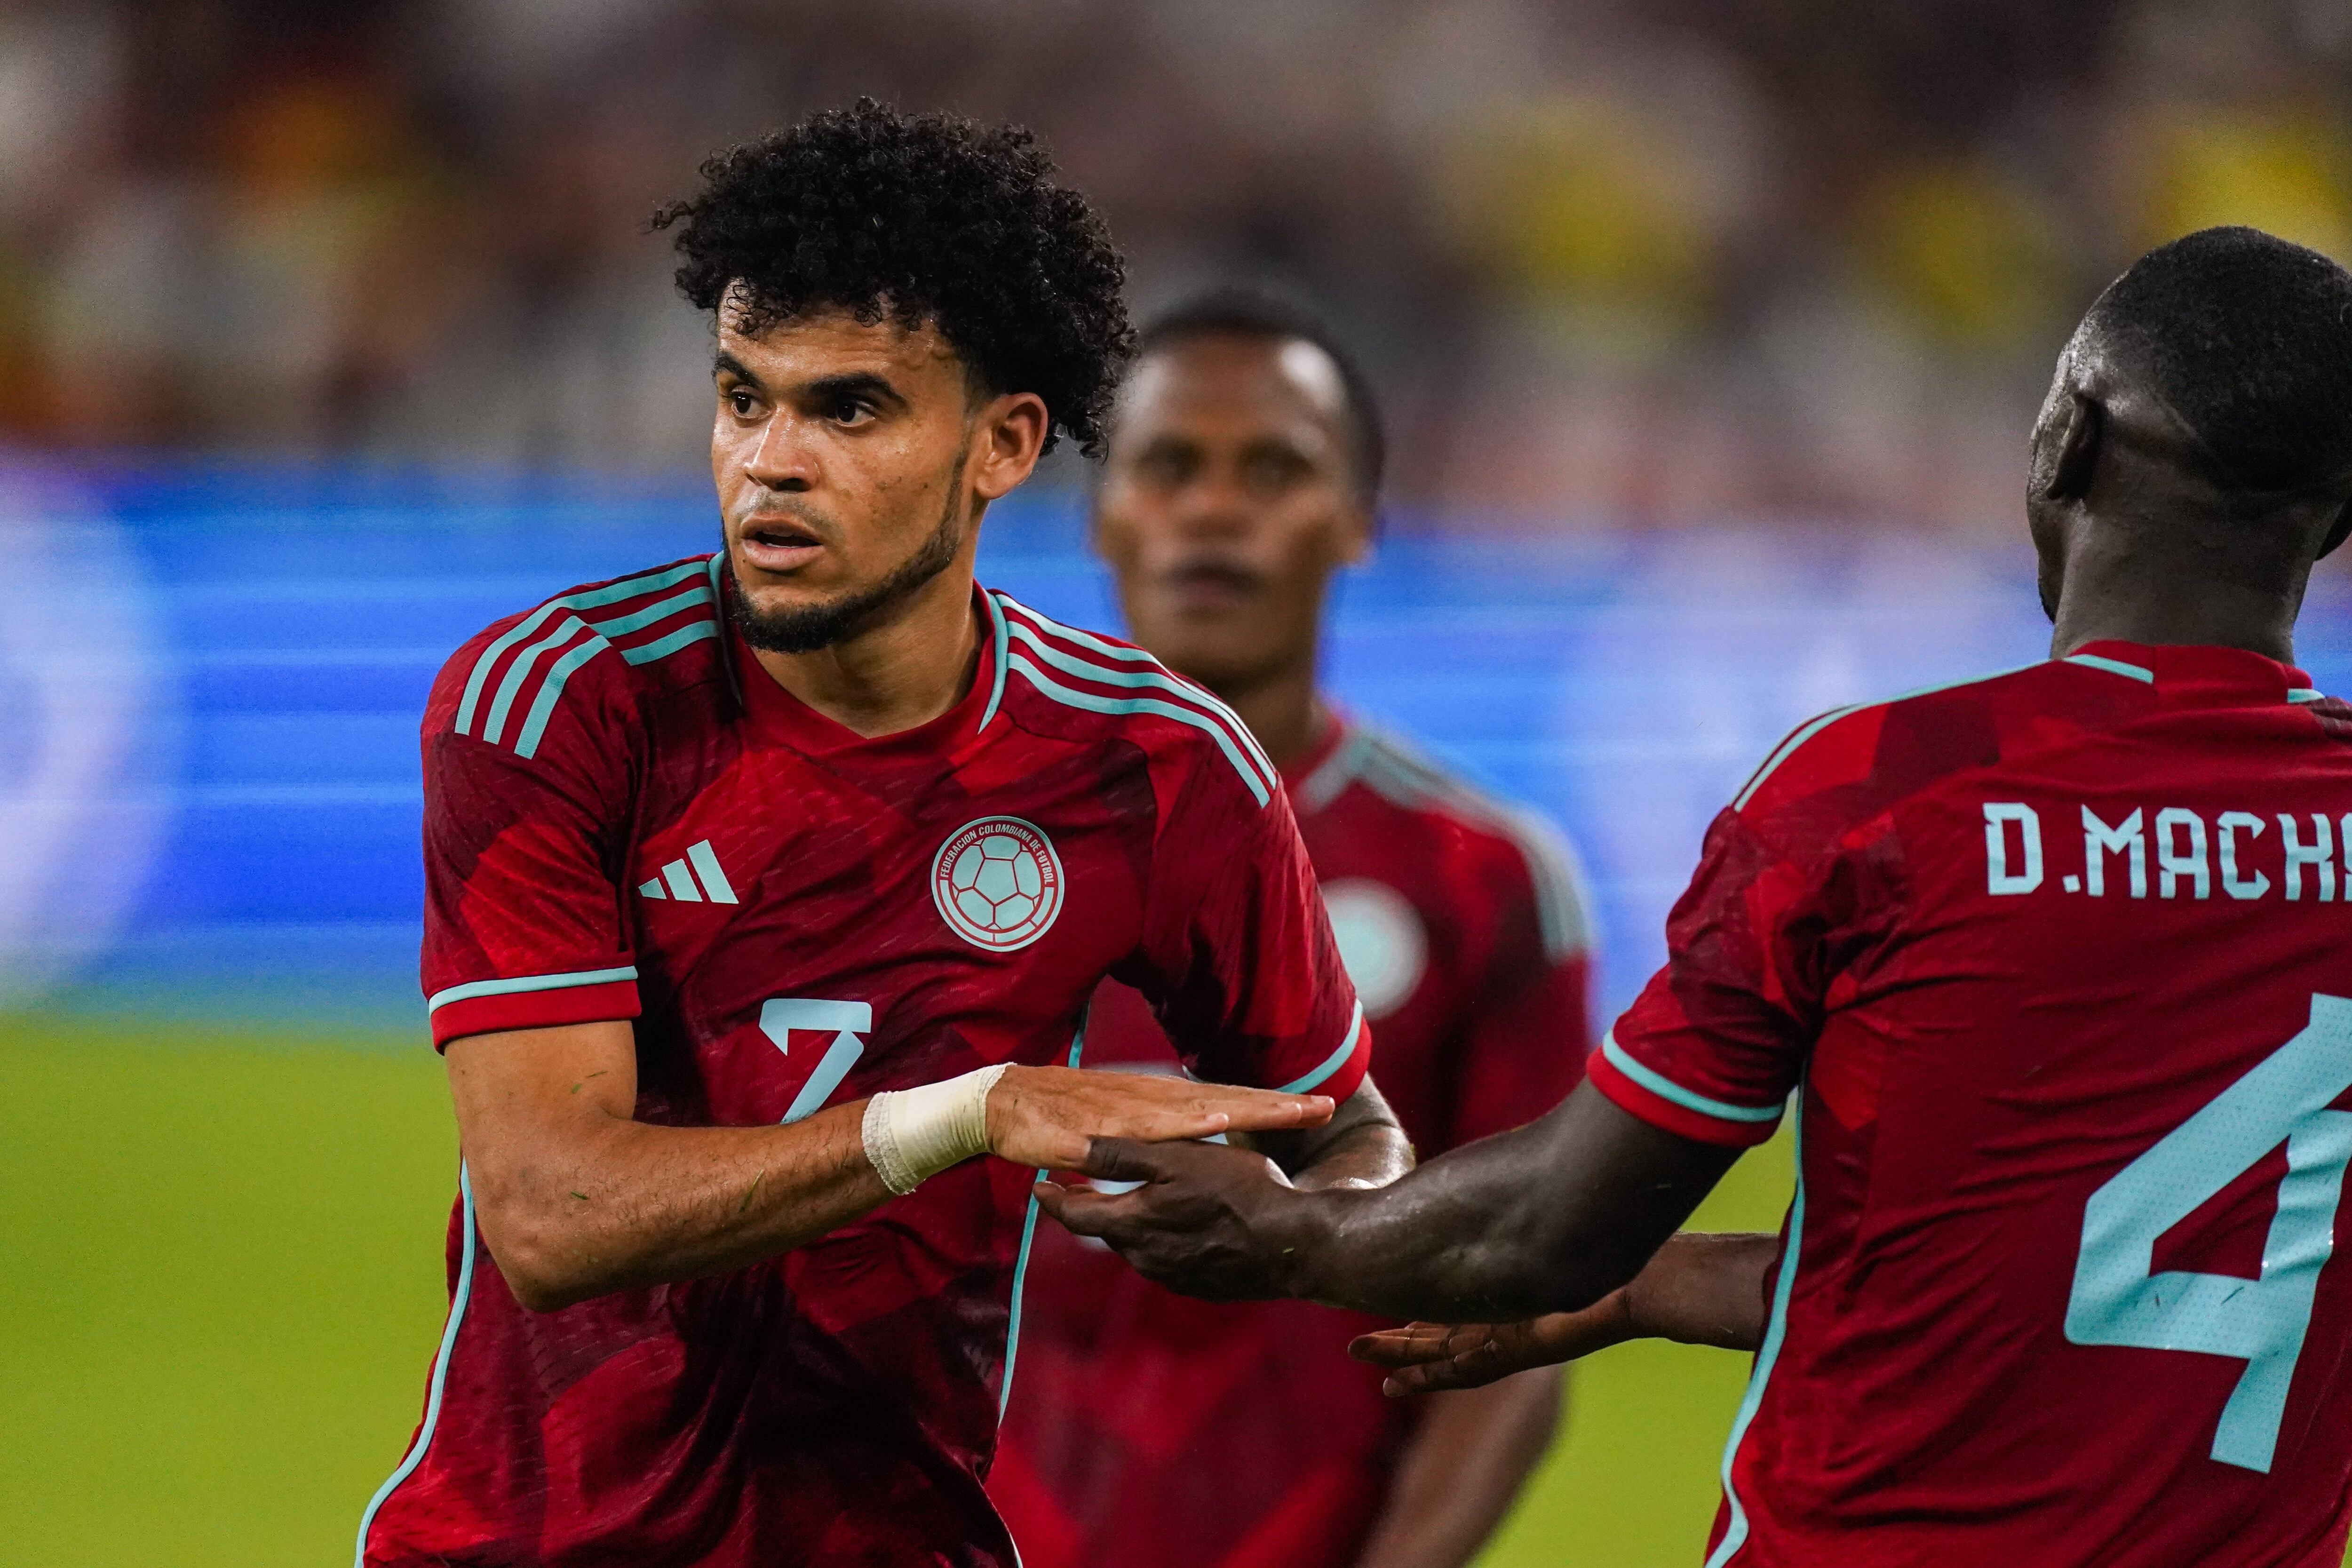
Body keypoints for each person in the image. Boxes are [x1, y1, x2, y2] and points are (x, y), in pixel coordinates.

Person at [1042, 226, 2352, 1567]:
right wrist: (1659, 1284)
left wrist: (1288, 1234)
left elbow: (1550, 1223)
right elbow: (2066, 1274)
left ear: (2062, 440)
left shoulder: (1888, 794)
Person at [354, 102, 1412, 1568]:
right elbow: (550, 1214)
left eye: (848, 410)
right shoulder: (559, 703)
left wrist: (1292, 1232)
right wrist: (970, 1114)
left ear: (1005, 445)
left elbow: (1345, 1133)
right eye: (742, 398)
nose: (768, 464)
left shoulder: (1158, 768)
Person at [988, 292, 1596, 1568]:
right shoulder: (937, 851)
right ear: (1103, 514)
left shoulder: (1481, 879)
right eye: (1169, 466)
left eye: (1274, 469)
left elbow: (1519, 1309)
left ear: (1362, 524)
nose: (1214, 509)